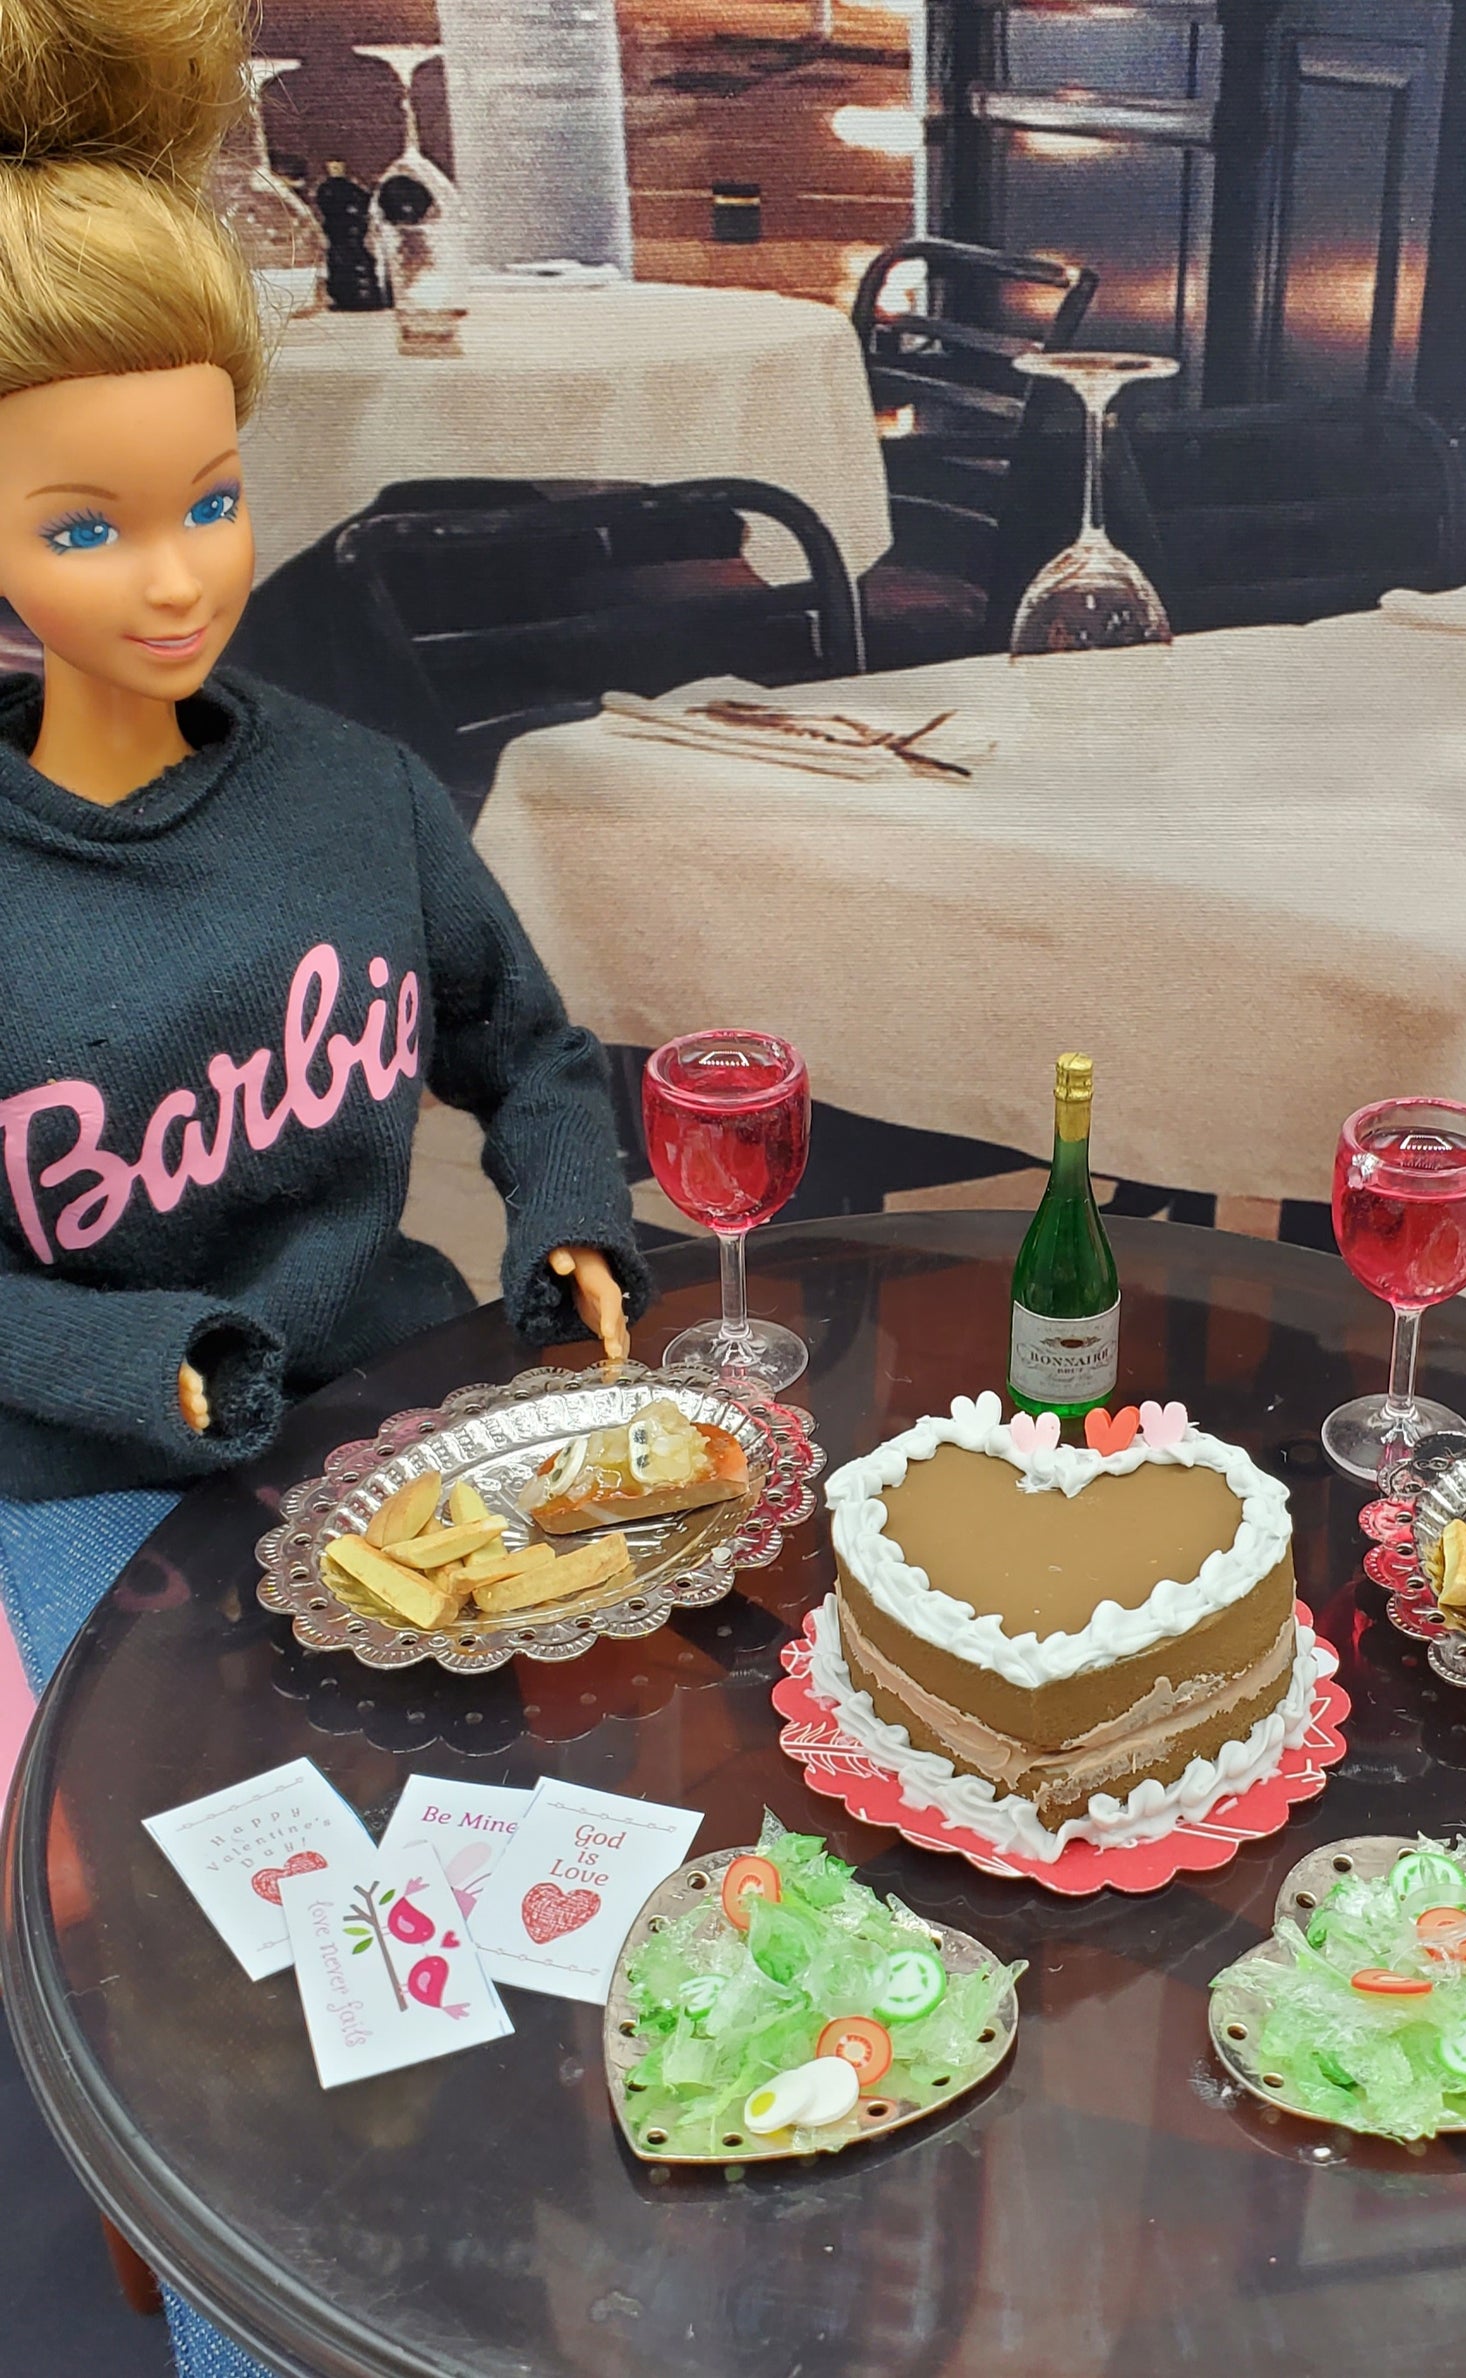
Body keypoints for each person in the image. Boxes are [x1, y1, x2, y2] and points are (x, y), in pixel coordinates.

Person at [0, 5, 648, 2368]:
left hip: (402, 1437)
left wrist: (572, 1200)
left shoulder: (350, 790)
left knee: (532, 1888)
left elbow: (528, 1041)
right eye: (84, 525)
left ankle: (532, 2279)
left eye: (208, 499)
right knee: (243, 1972)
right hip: (80, 1497)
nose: (176, 578)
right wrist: (122, 1349)